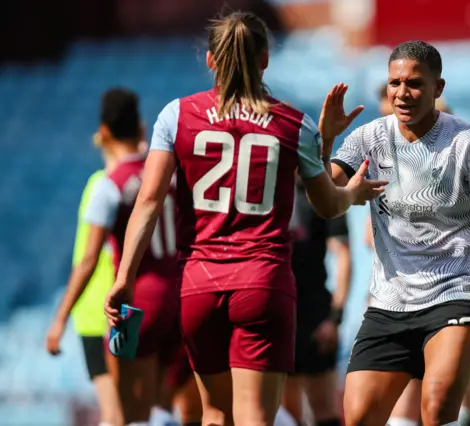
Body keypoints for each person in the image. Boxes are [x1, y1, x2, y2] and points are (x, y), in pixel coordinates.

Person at [104, 11, 386, 426]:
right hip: (263, 282)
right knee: (255, 417)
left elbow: (147, 202)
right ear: (266, 59)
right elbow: (327, 205)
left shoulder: (175, 116)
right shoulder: (296, 125)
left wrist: (124, 277)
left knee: (215, 415)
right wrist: (354, 193)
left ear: (210, 61)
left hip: (199, 284)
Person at [324, 41, 470, 426]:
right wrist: (326, 143)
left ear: (439, 87)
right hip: (389, 303)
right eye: (394, 83)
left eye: (414, 83)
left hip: (455, 295)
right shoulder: (367, 139)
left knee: (435, 409)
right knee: (359, 417)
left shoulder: (469, 143)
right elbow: (326, 201)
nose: (402, 93)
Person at [45, 133, 135, 426]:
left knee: (117, 413)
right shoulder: (128, 186)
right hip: (121, 309)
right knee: (129, 409)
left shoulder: (103, 186)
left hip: (97, 313)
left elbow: (88, 259)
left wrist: (61, 318)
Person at [281, 176, 352, 426]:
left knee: (323, 410)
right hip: (275, 311)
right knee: (286, 413)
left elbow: (343, 256)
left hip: (314, 313)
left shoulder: (322, 194)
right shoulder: (266, 189)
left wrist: (335, 318)